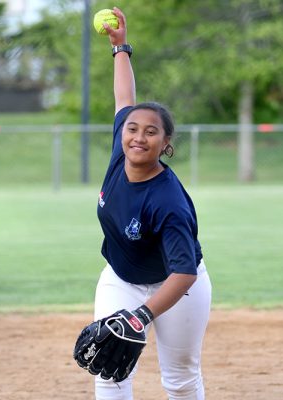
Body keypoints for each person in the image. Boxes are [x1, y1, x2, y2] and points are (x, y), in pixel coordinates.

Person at [90, 7, 212, 400]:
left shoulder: (168, 202)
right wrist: (120, 47)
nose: (138, 137)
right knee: (109, 369)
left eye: (151, 132)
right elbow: (124, 96)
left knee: (179, 378)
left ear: (165, 143)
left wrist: (142, 316)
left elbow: (184, 273)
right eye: (132, 129)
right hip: (122, 277)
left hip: (175, 286)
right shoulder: (118, 152)